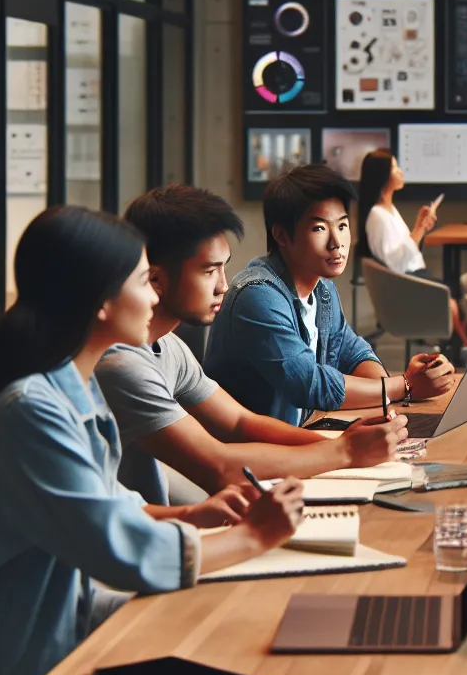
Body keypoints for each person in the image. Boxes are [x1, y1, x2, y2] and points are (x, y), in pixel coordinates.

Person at [0, 207, 305, 675]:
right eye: (145, 281)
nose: (154, 296)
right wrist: (253, 538)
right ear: (102, 301)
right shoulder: (31, 411)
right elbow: (116, 550)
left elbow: (108, 504)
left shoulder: (69, 385)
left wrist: (193, 514)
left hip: (23, 636)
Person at [95, 184, 409, 506]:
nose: (223, 285)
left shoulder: (169, 346)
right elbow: (217, 465)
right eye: (208, 271)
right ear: (156, 279)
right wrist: (344, 451)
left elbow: (240, 422)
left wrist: (344, 443)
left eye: (224, 266)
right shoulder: (122, 364)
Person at [203, 164, 456, 426]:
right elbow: (309, 384)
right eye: (319, 228)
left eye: (343, 225)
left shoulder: (322, 288)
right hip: (252, 454)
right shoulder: (257, 296)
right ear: (281, 235)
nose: (337, 242)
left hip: (303, 435)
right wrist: (404, 386)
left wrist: (391, 394)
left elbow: (352, 352)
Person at [356, 148, 467, 346]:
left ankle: (461, 346)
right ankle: (462, 346)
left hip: (413, 277)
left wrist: (419, 227)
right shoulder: (377, 216)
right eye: (395, 168)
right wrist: (420, 229)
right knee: (452, 298)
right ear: (383, 176)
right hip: (406, 283)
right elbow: (395, 262)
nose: (400, 172)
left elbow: (403, 250)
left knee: (460, 290)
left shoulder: (388, 210)